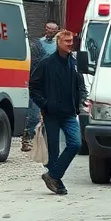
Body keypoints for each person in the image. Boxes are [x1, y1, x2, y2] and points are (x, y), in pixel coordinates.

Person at [29, 28, 86, 196]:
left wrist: (81, 100)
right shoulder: (47, 64)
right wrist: (45, 105)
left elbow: (80, 85)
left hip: (69, 113)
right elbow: (33, 86)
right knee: (53, 152)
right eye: (67, 41)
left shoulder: (73, 64)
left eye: (71, 41)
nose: (70, 44)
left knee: (75, 144)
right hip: (52, 114)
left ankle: (53, 175)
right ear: (58, 43)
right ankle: (57, 182)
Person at [22, 21, 60, 153]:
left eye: (53, 30)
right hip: (38, 84)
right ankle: (28, 139)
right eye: (49, 29)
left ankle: (47, 141)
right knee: (34, 113)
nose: (50, 31)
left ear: (57, 31)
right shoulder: (37, 45)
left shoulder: (58, 46)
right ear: (45, 29)